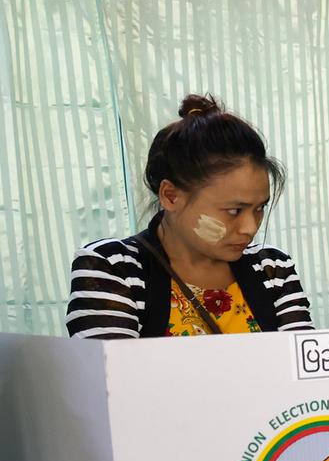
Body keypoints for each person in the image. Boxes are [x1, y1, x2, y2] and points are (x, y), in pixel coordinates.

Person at [66, 95, 312, 338]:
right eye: (234, 211)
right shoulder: (113, 267)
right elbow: (114, 374)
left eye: (259, 208)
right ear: (171, 196)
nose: (249, 227)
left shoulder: (272, 268)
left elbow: (301, 369)